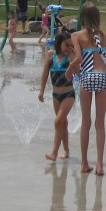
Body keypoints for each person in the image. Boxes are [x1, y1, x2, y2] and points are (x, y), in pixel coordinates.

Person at [67, 2, 106, 176]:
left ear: (82, 18)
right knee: (100, 123)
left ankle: (84, 163)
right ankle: (100, 165)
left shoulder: (77, 36)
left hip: (86, 77)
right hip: (102, 77)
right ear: (98, 18)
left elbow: (78, 58)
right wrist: (104, 75)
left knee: (85, 122)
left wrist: (70, 69)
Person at [38, 31, 75, 161]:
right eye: (66, 45)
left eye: (71, 45)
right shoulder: (50, 55)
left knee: (58, 121)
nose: (69, 48)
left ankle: (54, 152)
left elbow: (79, 68)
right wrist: (41, 91)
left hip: (69, 94)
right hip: (55, 95)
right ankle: (66, 150)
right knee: (62, 123)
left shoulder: (71, 56)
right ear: (59, 43)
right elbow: (44, 74)